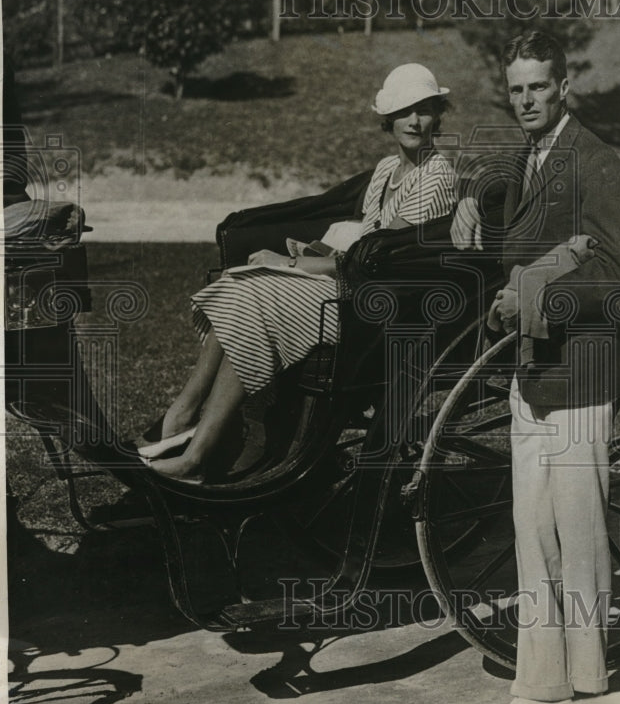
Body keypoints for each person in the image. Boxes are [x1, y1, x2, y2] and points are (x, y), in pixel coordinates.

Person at [142, 63, 457, 483]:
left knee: (261, 297)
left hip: (377, 305)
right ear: (388, 119)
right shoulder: (385, 171)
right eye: (405, 111)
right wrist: (304, 255)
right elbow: (363, 243)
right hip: (351, 282)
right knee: (238, 282)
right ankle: (181, 416)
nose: (415, 121)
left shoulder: (436, 176)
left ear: (439, 114)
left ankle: (197, 456)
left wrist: (290, 264)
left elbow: (381, 259)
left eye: (425, 109)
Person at [452, 30, 620, 704]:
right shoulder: (532, 157)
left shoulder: (594, 161)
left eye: (538, 86)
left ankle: (568, 681)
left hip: (579, 368)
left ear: (565, 87)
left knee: (575, 527)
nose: (526, 98)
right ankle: (557, 681)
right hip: (534, 368)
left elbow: (614, 274)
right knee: (533, 524)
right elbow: (508, 191)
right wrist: (471, 192)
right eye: (517, 88)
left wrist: (525, 298)